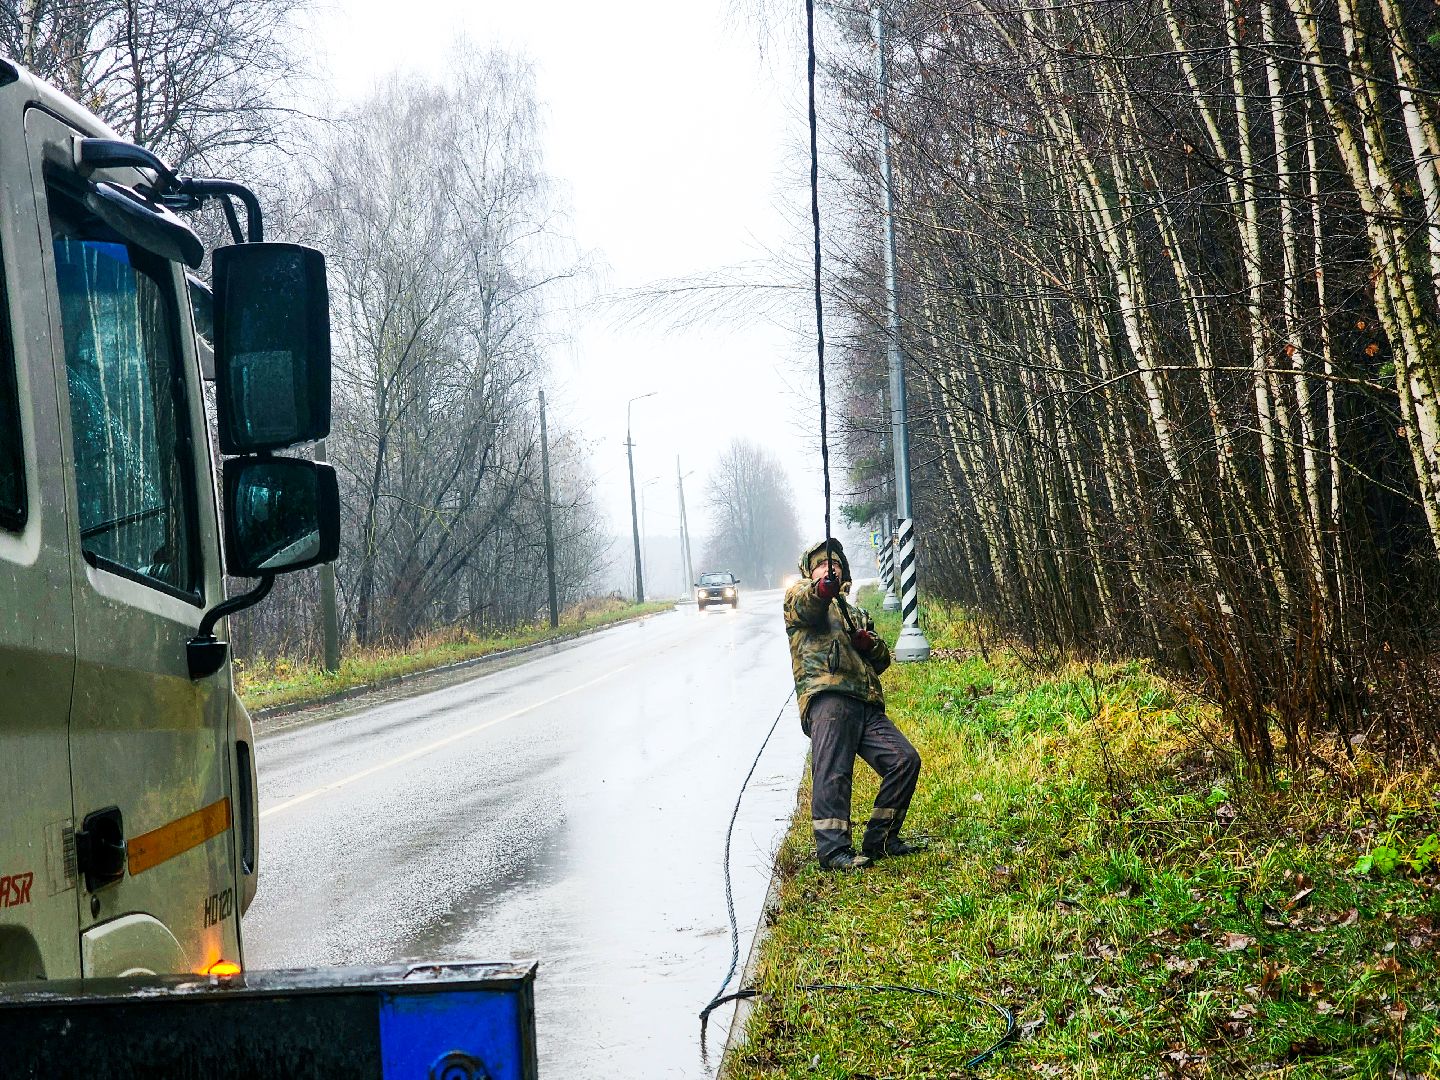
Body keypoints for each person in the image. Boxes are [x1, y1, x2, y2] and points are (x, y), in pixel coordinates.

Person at [783, 538, 922, 871]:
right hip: (828, 698)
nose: (830, 568)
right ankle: (833, 852)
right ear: (809, 570)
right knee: (833, 774)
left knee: (904, 760)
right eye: (822, 564)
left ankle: (881, 839)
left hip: (866, 703)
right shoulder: (800, 597)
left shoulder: (856, 612)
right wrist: (821, 589)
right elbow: (807, 603)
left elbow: (881, 661)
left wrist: (869, 643)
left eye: (835, 564)